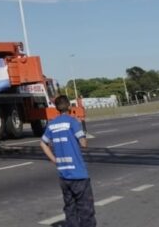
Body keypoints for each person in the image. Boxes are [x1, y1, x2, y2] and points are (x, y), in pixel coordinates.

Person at [40, 94, 95, 227]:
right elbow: (83, 143)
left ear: (56, 108)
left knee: (70, 208)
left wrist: (55, 160)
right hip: (78, 174)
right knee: (86, 209)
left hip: (63, 174)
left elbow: (42, 143)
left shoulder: (52, 124)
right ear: (69, 106)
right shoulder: (72, 122)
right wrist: (82, 131)